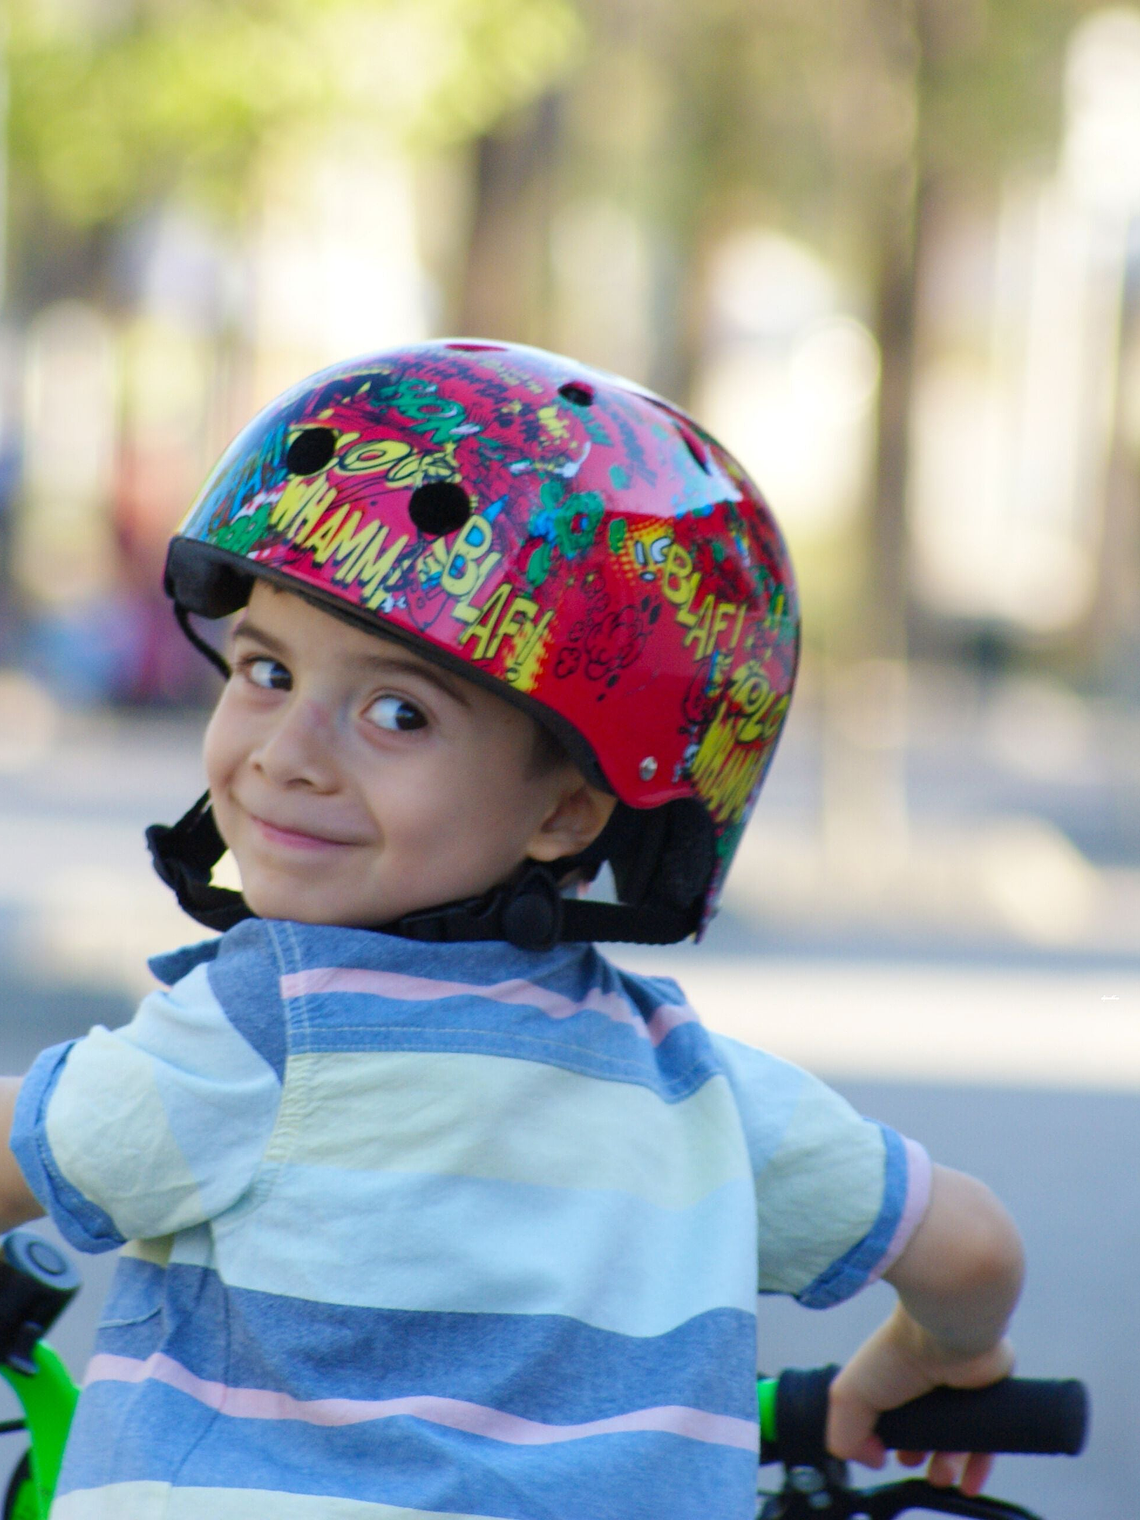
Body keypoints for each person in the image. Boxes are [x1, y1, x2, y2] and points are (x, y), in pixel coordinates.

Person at [0, 341, 1022, 1520]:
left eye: (397, 711)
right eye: (267, 670)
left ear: (569, 811)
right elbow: (972, 1249)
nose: (286, 751)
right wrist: (930, 1353)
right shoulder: (701, 1094)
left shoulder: (265, 1035)